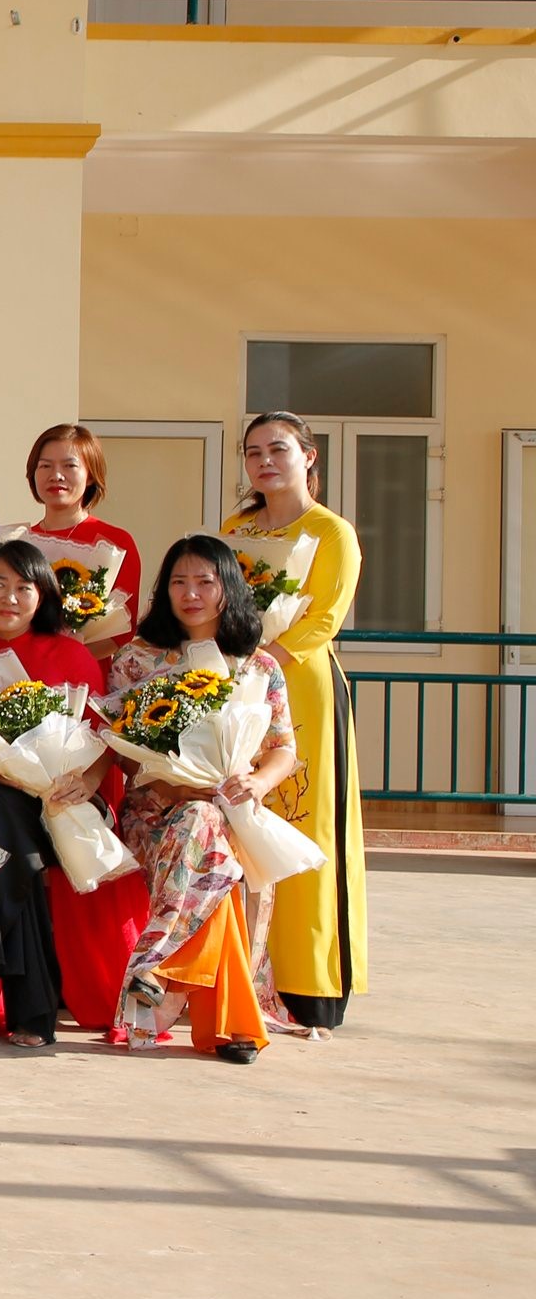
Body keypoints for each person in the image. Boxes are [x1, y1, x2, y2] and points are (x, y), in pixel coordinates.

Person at [0, 538, 149, 1045]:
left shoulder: (71, 654)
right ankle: (30, 1018)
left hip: (75, 801)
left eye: (22, 587)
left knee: (8, 835)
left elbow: (107, 737)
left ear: (43, 595)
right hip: (8, 801)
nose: (8, 597)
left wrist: (86, 782)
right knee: (11, 834)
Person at [108, 534, 291, 1062]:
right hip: (153, 811)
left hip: (232, 808)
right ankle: (222, 1018)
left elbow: (283, 749)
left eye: (204, 582)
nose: (191, 594)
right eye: (178, 582)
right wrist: (170, 783)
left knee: (207, 827)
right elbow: (120, 748)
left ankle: (160, 974)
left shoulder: (258, 667)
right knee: (202, 832)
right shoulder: (137, 660)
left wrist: (257, 783)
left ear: (227, 588)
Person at [224, 410, 367, 1037]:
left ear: (308, 456)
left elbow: (323, 618)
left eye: (277, 449)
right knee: (241, 823)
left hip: (302, 685)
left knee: (308, 823)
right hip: (240, 688)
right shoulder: (235, 531)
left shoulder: (332, 532)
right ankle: (239, 975)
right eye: (253, 451)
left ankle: (309, 981)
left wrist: (266, 663)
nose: (265, 461)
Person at [21, 423, 142, 657]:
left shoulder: (115, 543)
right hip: (20, 669)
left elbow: (121, 631)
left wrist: (67, 661)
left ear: (90, 476)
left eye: (69, 466)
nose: (56, 475)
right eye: (45, 466)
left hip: (85, 669)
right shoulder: (18, 542)